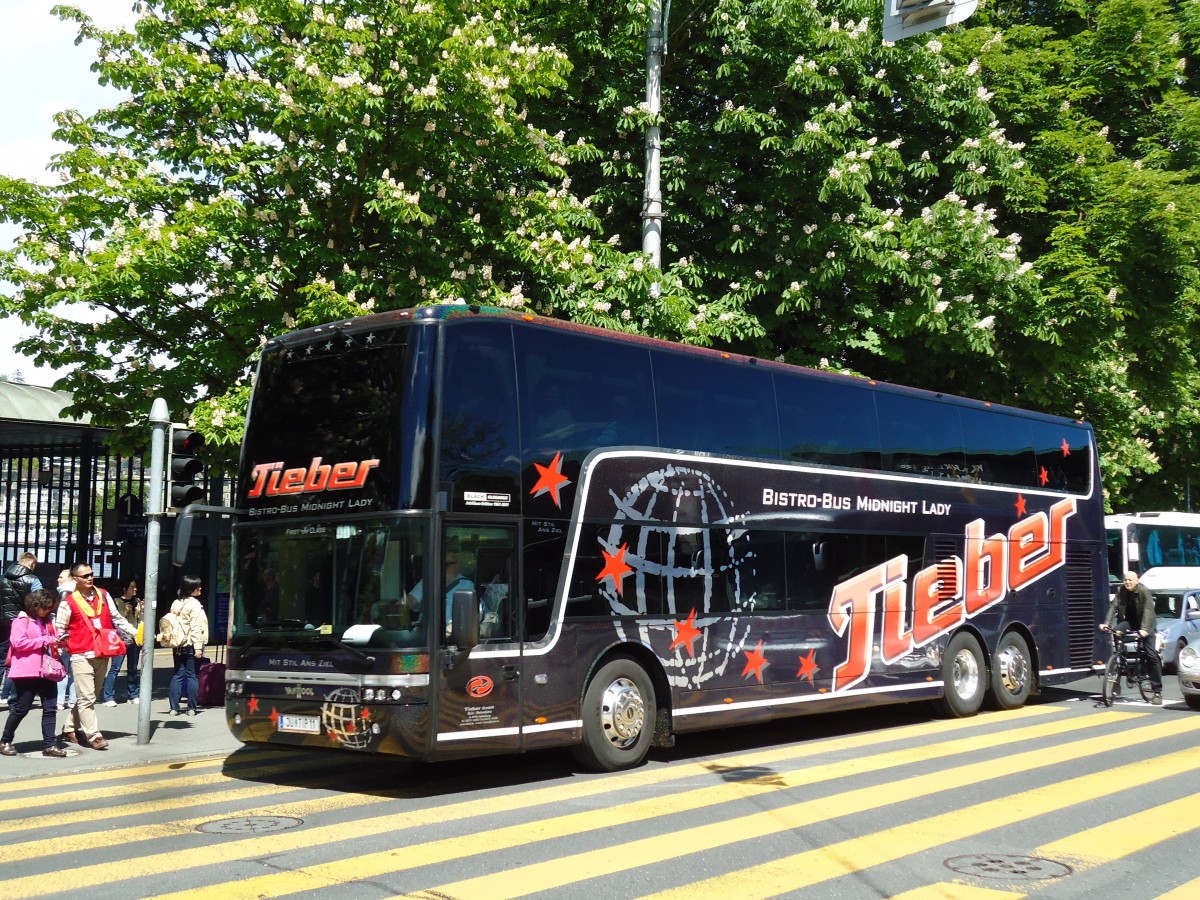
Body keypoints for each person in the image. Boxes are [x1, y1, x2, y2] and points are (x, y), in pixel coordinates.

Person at [55, 562, 137, 749]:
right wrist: (58, 653)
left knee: (91, 696)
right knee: (86, 697)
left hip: (103, 651)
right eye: (85, 576)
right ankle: (94, 735)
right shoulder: (68, 602)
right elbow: (59, 630)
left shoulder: (103, 595)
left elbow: (116, 617)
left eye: (91, 574)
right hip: (80, 654)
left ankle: (69, 728)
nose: (90, 578)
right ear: (75, 579)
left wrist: (134, 632)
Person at [0, 590, 68, 758]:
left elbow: (53, 639)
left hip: (47, 670)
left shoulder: (47, 621)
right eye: (45, 607)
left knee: (50, 708)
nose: (48, 610)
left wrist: (59, 640)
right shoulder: (21, 620)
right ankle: (5, 740)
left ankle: (50, 745)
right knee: (21, 708)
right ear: (35, 605)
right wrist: (46, 640)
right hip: (26, 671)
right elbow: (18, 643)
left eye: (50, 608)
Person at [1101, 570, 1164, 705]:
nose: (1127, 582)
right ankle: (1118, 672)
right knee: (1116, 633)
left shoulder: (1144, 591)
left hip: (1146, 624)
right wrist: (1106, 623)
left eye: (1130, 580)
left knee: (1151, 655)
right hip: (1129, 621)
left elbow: (1148, 611)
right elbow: (1114, 607)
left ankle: (1157, 691)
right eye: (1125, 580)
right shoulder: (1120, 590)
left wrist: (1145, 630)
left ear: (1137, 580)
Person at [1, 552, 43, 711]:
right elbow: (39, 602)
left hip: (2, 624)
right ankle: (14, 701)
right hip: (22, 623)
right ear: (32, 564)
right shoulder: (33, 580)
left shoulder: (2, 578)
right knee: (16, 662)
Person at [168, 575, 209, 716]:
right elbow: (196, 627)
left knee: (177, 674)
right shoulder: (195, 605)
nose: (200, 588)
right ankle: (191, 708)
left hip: (178, 644)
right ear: (191, 589)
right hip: (191, 644)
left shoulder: (175, 603)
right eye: (197, 586)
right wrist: (198, 648)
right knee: (192, 675)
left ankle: (174, 707)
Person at [101, 579, 144, 706]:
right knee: (115, 668)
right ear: (125, 589)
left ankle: (133, 694)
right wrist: (124, 611)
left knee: (133, 668)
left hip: (135, 638)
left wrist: (141, 610)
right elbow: (114, 620)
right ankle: (108, 697)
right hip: (120, 639)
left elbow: (140, 620)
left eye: (135, 588)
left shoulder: (136, 602)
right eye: (132, 587)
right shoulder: (117, 602)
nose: (135, 590)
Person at [54, 570, 76, 711]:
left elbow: (61, 617)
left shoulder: (65, 592)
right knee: (74, 671)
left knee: (63, 669)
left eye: (61, 577)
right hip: (75, 635)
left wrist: (59, 637)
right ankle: (73, 700)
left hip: (65, 636)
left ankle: (60, 700)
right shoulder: (76, 592)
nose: (58, 579)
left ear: (68, 579)